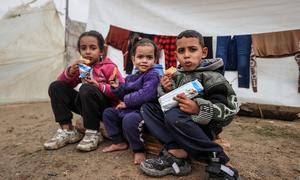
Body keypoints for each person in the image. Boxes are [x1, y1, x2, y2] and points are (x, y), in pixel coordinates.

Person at [139, 30, 240, 179]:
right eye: (181, 51)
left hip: (203, 128)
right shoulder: (176, 76)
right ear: (176, 55)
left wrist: (199, 108)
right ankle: (176, 152)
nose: (186, 55)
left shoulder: (213, 77)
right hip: (177, 122)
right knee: (148, 108)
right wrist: (167, 90)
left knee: (174, 115)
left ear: (204, 52)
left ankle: (220, 159)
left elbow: (229, 110)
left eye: (192, 49)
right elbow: (169, 103)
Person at [44, 30, 124, 152]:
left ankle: (93, 132)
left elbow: (121, 90)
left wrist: (99, 86)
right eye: (83, 48)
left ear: (101, 51)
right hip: (87, 105)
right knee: (56, 86)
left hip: (105, 109)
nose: (87, 52)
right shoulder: (82, 68)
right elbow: (62, 84)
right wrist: (71, 71)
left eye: (93, 48)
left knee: (87, 88)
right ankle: (68, 130)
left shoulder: (109, 67)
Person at [102, 38, 160, 165]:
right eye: (140, 57)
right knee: (108, 113)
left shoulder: (153, 75)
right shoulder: (130, 78)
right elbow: (124, 95)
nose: (144, 61)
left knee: (130, 120)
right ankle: (119, 142)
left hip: (143, 112)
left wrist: (127, 102)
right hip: (129, 109)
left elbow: (147, 94)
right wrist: (117, 87)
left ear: (155, 60)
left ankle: (139, 149)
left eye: (149, 57)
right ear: (133, 59)